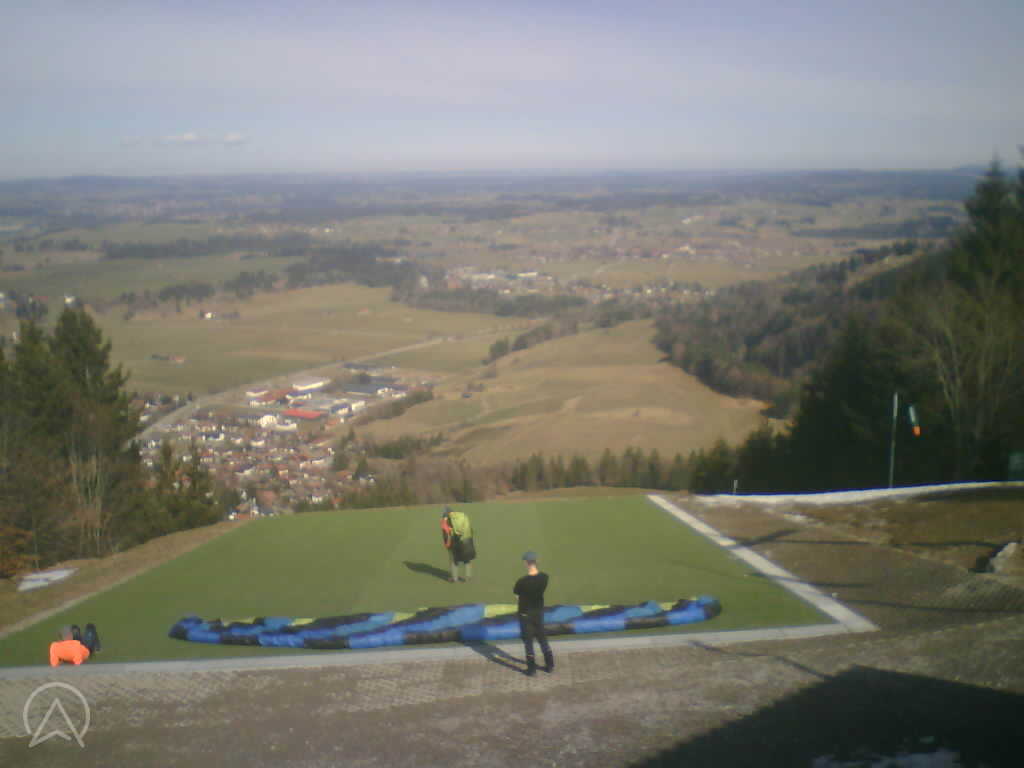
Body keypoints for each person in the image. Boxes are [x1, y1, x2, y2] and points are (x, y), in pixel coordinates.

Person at [513, 550, 554, 676]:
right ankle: (550, 665)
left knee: (528, 642)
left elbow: (517, 596)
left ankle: (531, 670)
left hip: (525, 614)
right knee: (542, 638)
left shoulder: (521, 581)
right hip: (538, 612)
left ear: (526, 563)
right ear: (536, 562)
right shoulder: (545, 578)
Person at [441, 506, 475, 582]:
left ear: (445, 513)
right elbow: (470, 528)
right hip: (466, 539)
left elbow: (446, 533)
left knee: (454, 560)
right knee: (466, 558)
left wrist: (447, 544)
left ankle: (454, 578)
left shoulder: (445, 520)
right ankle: (468, 577)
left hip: (454, 541)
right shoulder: (462, 516)